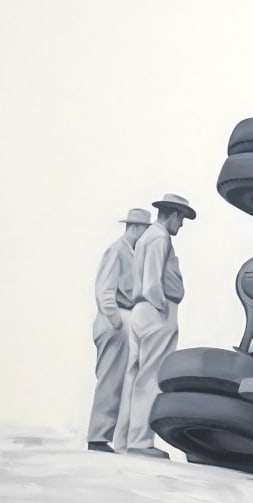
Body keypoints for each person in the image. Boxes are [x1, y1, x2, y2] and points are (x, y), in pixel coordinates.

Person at [116, 193, 196, 457]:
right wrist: (160, 305)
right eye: (181, 218)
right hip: (156, 310)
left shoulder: (146, 238)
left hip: (140, 311)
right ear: (172, 215)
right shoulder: (160, 237)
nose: (181, 225)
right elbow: (152, 279)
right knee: (150, 378)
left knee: (133, 377)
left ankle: (124, 441)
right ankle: (140, 443)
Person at [87, 208, 151, 452]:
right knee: (109, 379)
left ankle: (103, 437)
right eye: (143, 229)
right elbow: (104, 291)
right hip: (114, 320)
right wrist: (116, 321)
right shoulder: (117, 251)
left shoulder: (131, 252)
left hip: (122, 319)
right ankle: (97, 437)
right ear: (135, 228)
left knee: (117, 381)